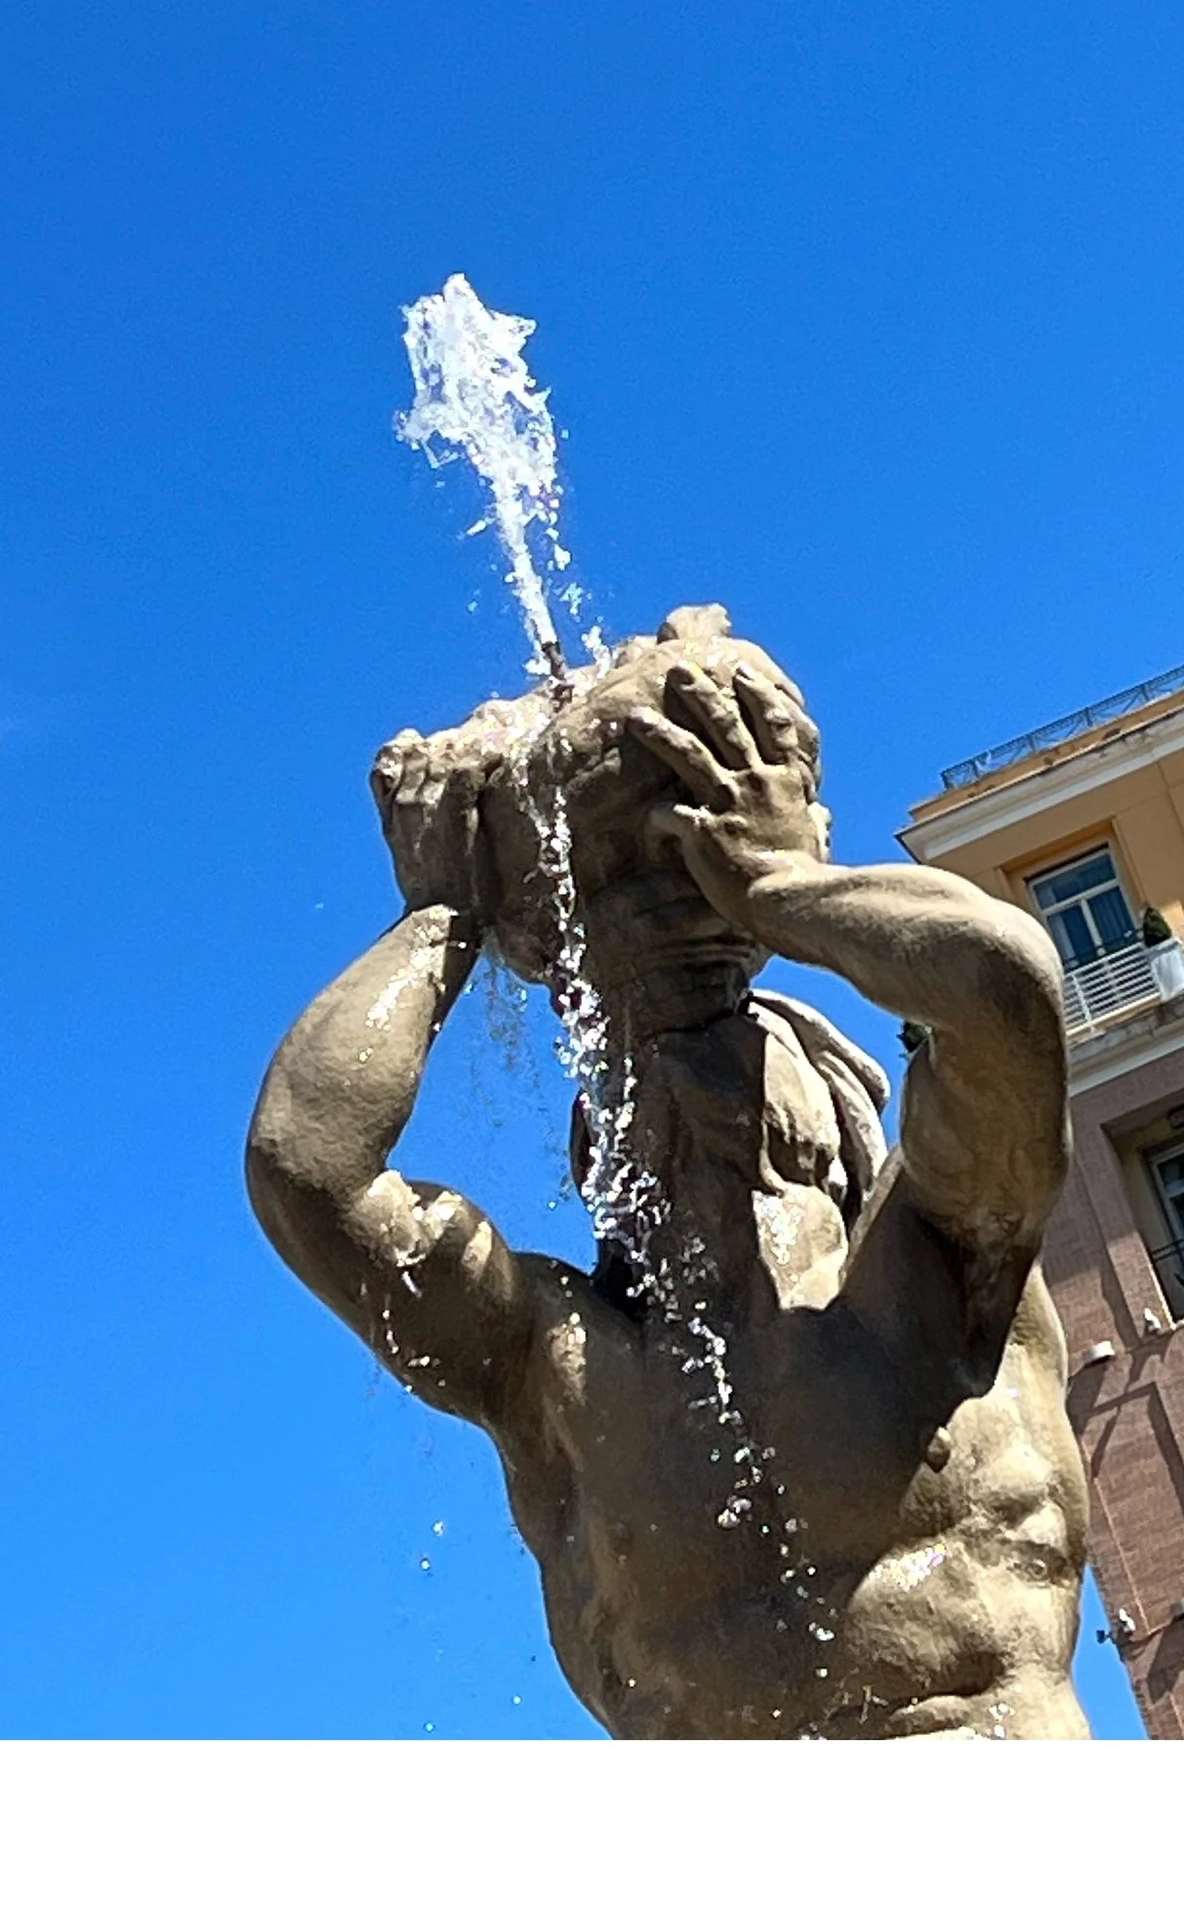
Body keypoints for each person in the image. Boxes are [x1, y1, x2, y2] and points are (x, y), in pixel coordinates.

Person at [246, 605, 1091, 1738]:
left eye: (754, 1058)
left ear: (844, 1127)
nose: (694, 1083)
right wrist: (444, 911)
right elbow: (308, 1164)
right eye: (641, 1086)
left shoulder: (940, 1270)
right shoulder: (550, 1363)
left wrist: (778, 881)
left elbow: (1001, 991)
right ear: (594, 1166)